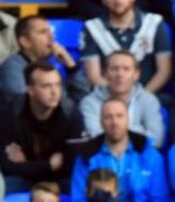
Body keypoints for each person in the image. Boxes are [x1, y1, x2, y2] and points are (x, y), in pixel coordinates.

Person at [71, 97, 169, 202]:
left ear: (128, 119)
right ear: (101, 122)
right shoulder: (87, 156)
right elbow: (79, 200)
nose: (114, 122)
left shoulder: (149, 154)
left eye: (119, 116)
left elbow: (161, 201)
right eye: (108, 117)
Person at [0, 61, 85, 191]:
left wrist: (27, 163)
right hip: (22, 179)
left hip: (60, 180)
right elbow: (6, 166)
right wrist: (49, 165)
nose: (54, 92)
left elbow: (72, 165)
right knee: (7, 185)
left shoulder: (70, 114)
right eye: (46, 86)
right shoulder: (11, 112)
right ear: (30, 90)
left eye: (58, 85)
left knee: (78, 186)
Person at [81, 0, 172, 93]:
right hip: (106, 98)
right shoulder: (93, 28)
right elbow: (94, 77)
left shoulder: (154, 23)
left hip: (148, 96)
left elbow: (164, 71)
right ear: (103, 0)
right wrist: (118, 99)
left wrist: (141, 98)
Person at [78, 50, 165, 148]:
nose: (120, 74)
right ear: (105, 73)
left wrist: (114, 131)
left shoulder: (149, 100)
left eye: (126, 69)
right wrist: (139, 130)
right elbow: (96, 137)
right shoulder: (89, 102)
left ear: (136, 74)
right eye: (114, 69)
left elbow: (157, 139)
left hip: (141, 159)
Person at [0, 15, 77, 105]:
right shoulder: (12, 68)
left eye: (51, 32)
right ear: (25, 41)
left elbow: (81, 99)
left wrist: (72, 67)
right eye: (43, 32)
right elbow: (24, 106)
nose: (51, 37)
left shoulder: (51, 64)